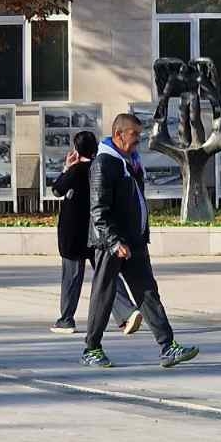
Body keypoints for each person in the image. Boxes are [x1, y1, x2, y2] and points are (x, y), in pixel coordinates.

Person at [83, 112, 199, 369]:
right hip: (111, 243)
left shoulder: (131, 161)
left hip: (134, 241)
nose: (138, 139)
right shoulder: (104, 163)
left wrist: (138, 235)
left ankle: (168, 346)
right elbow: (98, 209)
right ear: (118, 134)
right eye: (134, 134)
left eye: (139, 134)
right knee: (103, 295)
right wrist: (114, 242)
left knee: (148, 293)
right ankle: (91, 349)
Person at [49, 129, 140, 337]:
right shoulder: (100, 169)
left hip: (73, 234)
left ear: (76, 149)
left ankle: (66, 319)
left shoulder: (76, 170)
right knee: (106, 276)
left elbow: (57, 190)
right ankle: (128, 311)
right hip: (97, 232)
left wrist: (66, 167)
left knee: (71, 278)